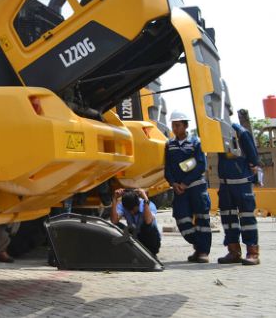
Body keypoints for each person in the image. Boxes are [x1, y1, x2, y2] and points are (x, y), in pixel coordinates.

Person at [164, 111, 212, 262]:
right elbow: (168, 168)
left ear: (185, 126)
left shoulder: (196, 143)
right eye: (173, 125)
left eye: (177, 125)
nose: (175, 128)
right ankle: (198, 244)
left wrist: (185, 183)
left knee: (202, 218)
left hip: (196, 187)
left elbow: (200, 165)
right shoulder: (169, 145)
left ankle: (202, 252)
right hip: (179, 190)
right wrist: (173, 183)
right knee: (181, 218)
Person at [216, 121, 262, 265]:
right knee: (228, 219)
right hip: (225, 184)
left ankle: (252, 252)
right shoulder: (214, 131)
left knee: (247, 218)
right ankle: (233, 251)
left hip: (242, 184)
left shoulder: (239, 132)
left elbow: (253, 158)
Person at [110, 188, 161, 255]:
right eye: (129, 210)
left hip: (150, 240)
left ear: (138, 203)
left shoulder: (149, 205)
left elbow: (148, 221)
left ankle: (150, 253)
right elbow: (114, 221)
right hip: (135, 235)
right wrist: (114, 199)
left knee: (148, 225)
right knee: (116, 225)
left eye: (133, 209)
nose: (131, 212)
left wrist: (146, 199)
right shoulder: (123, 206)